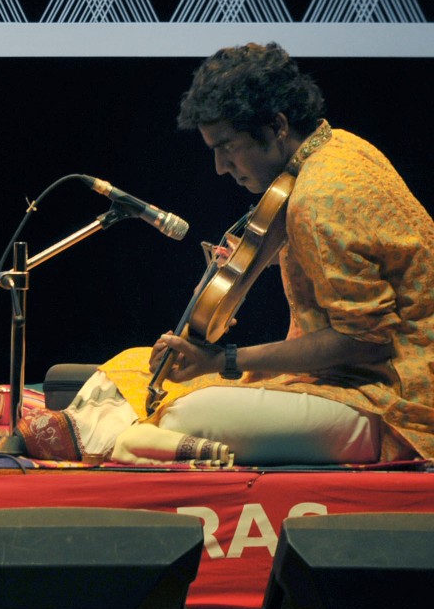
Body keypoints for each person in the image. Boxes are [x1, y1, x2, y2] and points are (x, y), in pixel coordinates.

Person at [28, 42, 434, 465]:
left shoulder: (319, 197)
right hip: (349, 382)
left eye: (228, 147)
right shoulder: (339, 147)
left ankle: (102, 438)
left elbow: (366, 341)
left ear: (277, 126)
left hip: (393, 404)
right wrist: (261, 260)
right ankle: (113, 436)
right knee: (138, 364)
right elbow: (340, 254)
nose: (221, 167)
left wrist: (226, 360)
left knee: (189, 411)